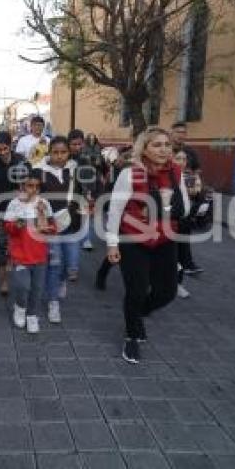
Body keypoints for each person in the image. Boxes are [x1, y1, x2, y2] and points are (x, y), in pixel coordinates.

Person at [106, 127, 190, 364]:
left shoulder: (176, 171)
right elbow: (115, 210)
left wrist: (162, 206)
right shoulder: (130, 174)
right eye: (157, 145)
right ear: (144, 148)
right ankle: (132, 335)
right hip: (133, 239)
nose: (164, 149)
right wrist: (112, 244)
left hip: (164, 239)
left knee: (168, 292)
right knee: (137, 289)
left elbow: (184, 209)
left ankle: (137, 313)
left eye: (167, 145)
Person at [34, 136, 85, 324]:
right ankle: (52, 302)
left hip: (72, 224)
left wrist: (87, 201)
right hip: (51, 226)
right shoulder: (39, 171)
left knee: (72, 262)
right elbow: (31, 194)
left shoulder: (76, 169)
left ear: (69, 152)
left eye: (63, 152)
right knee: (54, 263)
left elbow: (88, 190)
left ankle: (62, 280)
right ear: (49, 152)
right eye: (55, 152)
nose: (59, 156)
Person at [4, 169, 55, 334]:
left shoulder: (44, 204)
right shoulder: (14, 204)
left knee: (37, 288)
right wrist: (17, 224)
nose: (32, 189)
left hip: (40, 255)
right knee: (22, 286)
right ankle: (20, 307)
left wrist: (47, 227)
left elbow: (53, 228)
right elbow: (7, 227)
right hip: (20, 255)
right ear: (22, 186)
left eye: (36, 186)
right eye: (28, 186)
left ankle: (32, 315)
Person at [0, 131, 27, 296]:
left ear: (11, 146)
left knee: (17, 243)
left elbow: (29, 181)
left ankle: (14, 268)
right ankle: (3, 281)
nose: (3, 153)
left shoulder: (21, 160)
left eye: (5, 149)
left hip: (18, 210)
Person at [95, 145, 132, 291]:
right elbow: (109, 187)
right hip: (124, 215)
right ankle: (102, 273)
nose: (130, 159)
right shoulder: (117, 169)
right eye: (127, 156)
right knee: (118, 251)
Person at [169, 122, 203, 275]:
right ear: (171, 132)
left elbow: (196, 170)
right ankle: (172, 262)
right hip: (169, 193)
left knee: (184, 230)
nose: (181, 135)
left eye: (183, 132)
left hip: (187, 194)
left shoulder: (190, 151)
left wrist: (197, 185)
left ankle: (186, 263)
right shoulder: (165, 148)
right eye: (178, 132)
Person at [172, 148, 205, 299]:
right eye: (178, 158)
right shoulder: (167, 177)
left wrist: (197, 192)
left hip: (184, 221)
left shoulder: (191, 176)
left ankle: (177, 284)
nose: (182, 162)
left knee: (181, 252)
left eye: (184, 159)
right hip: (167, 221)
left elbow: (197, 192)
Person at [68, 129, 101, 252]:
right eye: (74, 144)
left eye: (80, 144)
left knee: (86, 216)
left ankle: (86, 239)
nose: (77, 147)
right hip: (71, 192)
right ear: (68, 144)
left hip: (85, 191)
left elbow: (95, 175)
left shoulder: (87, 158)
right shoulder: (66, 158)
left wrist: (93, 193)